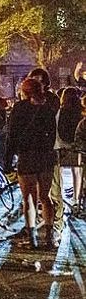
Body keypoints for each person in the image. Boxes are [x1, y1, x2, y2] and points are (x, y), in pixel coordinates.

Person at [5, 77, 58, 248]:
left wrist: (8, 160)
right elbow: (52, 134)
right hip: (45, 157)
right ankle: (49, 236)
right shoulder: (48, 109)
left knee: (28, 198)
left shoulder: (19, 108)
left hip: (27, 156)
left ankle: (32, 238)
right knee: (45, 197)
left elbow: (12, 135)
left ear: (24, 92)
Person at [57, 88, 83, 216]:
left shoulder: (61, 111)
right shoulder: (80, 111)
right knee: (77, 172)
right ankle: (76, 199)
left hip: (63, 146)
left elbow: (59, 128)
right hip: (77, 146)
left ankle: (60, 198)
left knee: (59, 171)